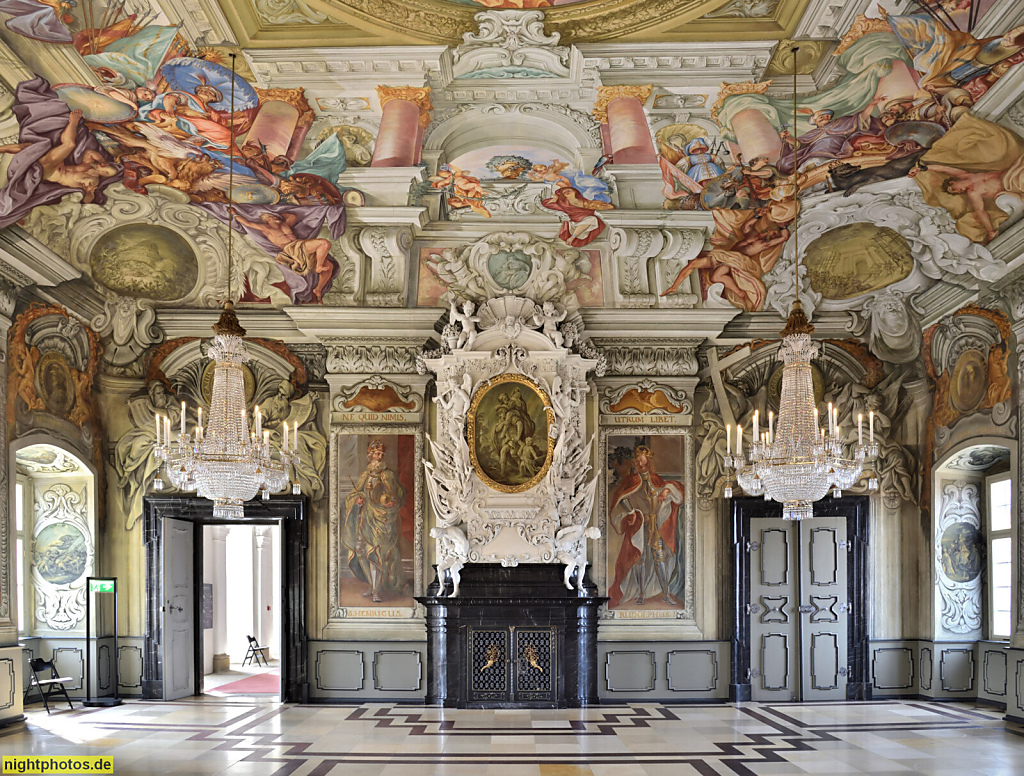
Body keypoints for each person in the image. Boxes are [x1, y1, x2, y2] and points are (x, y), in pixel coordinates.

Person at [608, 445, 685, 607]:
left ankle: (665, 592)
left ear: (648, 461)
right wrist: (631, 511)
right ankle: (641, 593)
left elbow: (668, 489)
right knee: (639, 558)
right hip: (640, 523)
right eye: (638, 461)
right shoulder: (631, 480)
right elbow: (621, 497)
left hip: (654, 523)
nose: (641, 463)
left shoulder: (655, 479)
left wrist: (666, 491)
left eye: (643, 460)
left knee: (659, 557)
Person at [340, 440, 407, 603]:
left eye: (381, 454)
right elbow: (353, 496)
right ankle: (371, 584)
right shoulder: (365, 475)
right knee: (362, 552)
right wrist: (357, 501)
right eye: (377, 454)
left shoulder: (388, 475)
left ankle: (377, 589)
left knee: (375, 554)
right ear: (370, 456)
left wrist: (391, 501)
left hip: (381, 521)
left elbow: (398, 495)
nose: (380, 457)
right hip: (364, 519)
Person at [235, 212, 338, 302]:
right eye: (271, 217)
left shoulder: (284, 225)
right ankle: (318, 266)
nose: (274, 217)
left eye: (274, 216)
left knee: (329, 266)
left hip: (299, 245)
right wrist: (234, 214)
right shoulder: (266, 228)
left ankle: (318, 289)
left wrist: (279, 215)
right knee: (324, 243)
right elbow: (248, 223)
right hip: (290, 249)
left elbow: (293, 216)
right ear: (266, 220)